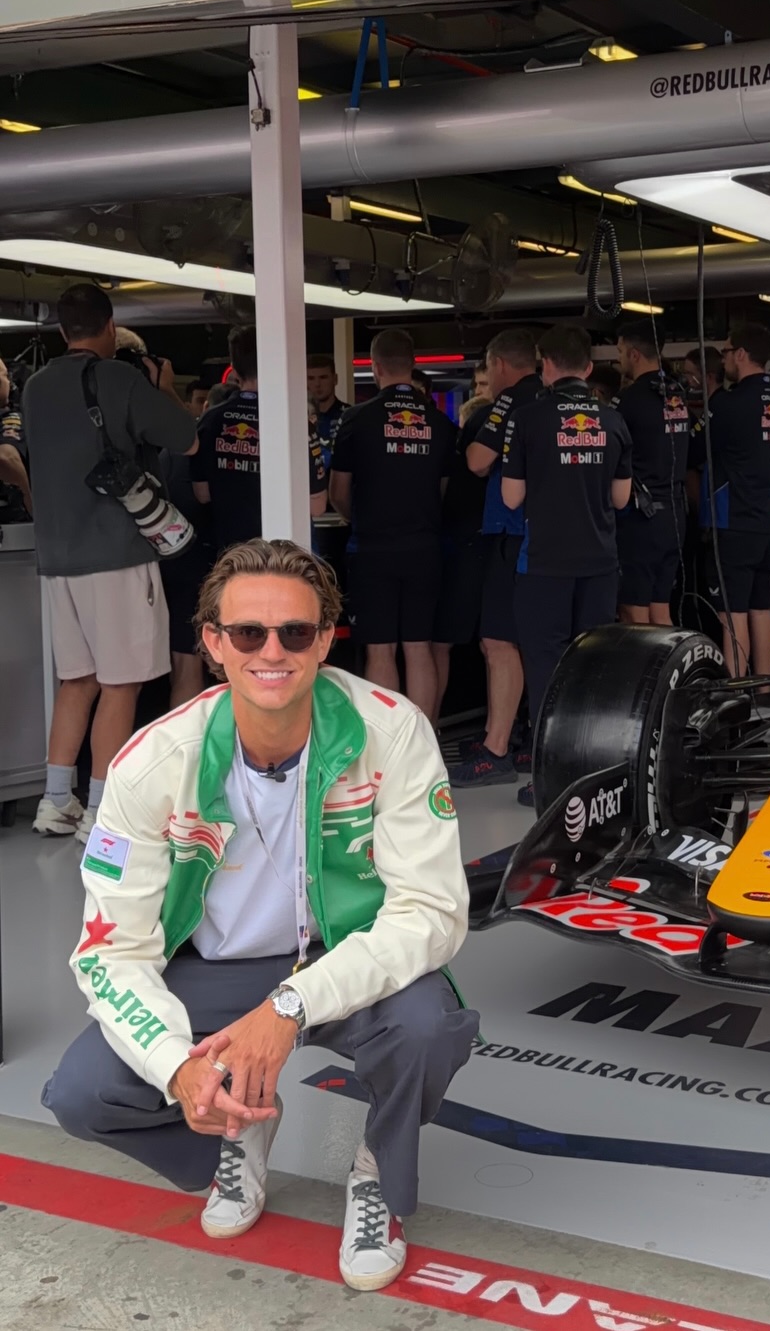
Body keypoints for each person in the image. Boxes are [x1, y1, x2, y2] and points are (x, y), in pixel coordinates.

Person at [43, 538, 475, 1294]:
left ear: (326, 640)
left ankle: (376, 1169)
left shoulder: (392, 730)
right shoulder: (152, 762)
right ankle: (232, 1127)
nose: (271, 652)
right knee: (84, 1092)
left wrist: (289, 1005)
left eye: (295, 632)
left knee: (428, 1026)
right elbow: (110, 952)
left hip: (341, 956)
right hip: (216, 971)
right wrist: (180, 1068)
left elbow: (432, 912)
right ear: (213, 643)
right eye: (247, 633)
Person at [22, 283, 197, 842]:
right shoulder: (119, 379)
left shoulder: (34, 386)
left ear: (60, 330)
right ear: (110, 325)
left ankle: (56, 801)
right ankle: (102, 811)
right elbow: (187, 439)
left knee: (78, 680)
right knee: (121, 684)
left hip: (57, 558)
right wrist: (162, 389)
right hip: (116, 553)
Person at [502, 323, 631, 735]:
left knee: (546, 664)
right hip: (600, 563)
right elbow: (621, 499)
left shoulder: (526, 418)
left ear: (545, 365)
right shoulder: (614, 420)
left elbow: (511, 497)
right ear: (588, 368)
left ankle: (548, 759)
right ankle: (590, 755)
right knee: (593, 663)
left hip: (544, 563)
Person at [328, 329, 455, 723]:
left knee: (379, 649)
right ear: (412, 365)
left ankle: (387, 742)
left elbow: (338, 491)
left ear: (375, 367)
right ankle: (423, 739)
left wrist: (358, 516)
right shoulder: (440, 422)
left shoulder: (356, 419)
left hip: (372, 547)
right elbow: (444, 490)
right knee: (419, 646)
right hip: (424, 546)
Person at [455, 329, 542, 785]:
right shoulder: (553, 397)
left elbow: (476, 461)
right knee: (530, 641)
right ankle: (518, 737)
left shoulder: (509, 401)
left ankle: (497, 750)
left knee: (498, 642)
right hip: (551, 537)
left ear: (500, 364)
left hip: (513, 533)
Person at [692, 322, 770, 677]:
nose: (724, 359)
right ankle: (765, 690)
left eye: (727, 351)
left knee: (732, 614)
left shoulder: (729, 403)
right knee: (760, 609)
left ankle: (736, 693)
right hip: (764, 520)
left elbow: (694, 448)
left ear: (741, 354)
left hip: (733, 521)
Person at [192, 326, 328, 557]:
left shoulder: (210, 420)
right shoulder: (296, 421)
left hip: (232, 555)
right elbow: (317, 505)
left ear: (235, 371)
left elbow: (202, 493)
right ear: (274, 364)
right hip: (284, 556)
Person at [614, 322, 689, 626]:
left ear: (634, 354)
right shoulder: (677, 394)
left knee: (634, 610)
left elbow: (612, 454)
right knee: (660, 609)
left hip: (641, 516)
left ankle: (643, 662)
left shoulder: (630, 399)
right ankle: (671, 660)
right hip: (675, 515)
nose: (619, 358)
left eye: (620, 351)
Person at [430, 373, 492, 729]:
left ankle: (431, 724)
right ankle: (502, 726)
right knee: (496, 646)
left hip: (460, 550)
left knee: (439, 644)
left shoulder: (462, 462)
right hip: (496, 549)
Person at [0, 353, 32, 520]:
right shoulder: (9, 418)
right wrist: (31, 509)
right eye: (5, 376)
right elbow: (6, 458)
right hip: (12, 522)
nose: (9, 382)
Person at [307, 354, 349, 474]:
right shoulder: (297, 419)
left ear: (335, 379)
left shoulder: (349, 415)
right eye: (311, 378)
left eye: (323, 377)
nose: (317, 384)